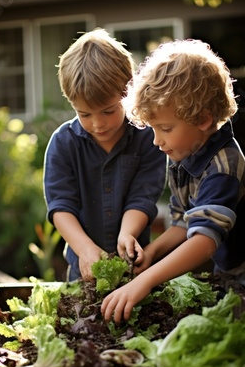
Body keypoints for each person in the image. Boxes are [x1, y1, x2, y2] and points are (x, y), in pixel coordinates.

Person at [101, 38, 245, 324]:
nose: (157, 141)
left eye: (165, 128)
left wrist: (144, 282)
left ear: (203, 119)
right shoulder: (183, 152)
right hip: (226, 275)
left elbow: (204, 241)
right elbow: (184, 223)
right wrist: (151, 253)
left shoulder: (224, 167)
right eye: (154, 129)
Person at [43, 28, 167, 282]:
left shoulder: (148, 138)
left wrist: (127, 234)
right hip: (83, 271)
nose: (98, 124)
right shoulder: (63, 144)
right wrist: (86, 250)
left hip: (134, 267)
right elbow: (60, 207)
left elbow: (142, 198)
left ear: (128, 93)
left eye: (109, 111)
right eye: (85, 114)